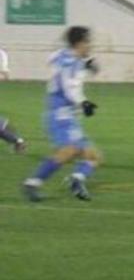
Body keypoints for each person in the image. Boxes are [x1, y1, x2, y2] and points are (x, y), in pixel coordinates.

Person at [22, 26, 101, 201]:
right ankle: (32, 183)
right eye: (88, 42)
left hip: (69, 116)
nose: (90, 45)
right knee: (69, 151)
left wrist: (87, 60)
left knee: (93, 156)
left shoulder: (65, 56)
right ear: (80, 43)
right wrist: (84, 103)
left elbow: (53, 59)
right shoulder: (70, 63)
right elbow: (69, 89)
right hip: (60, 115)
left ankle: (76, 180)